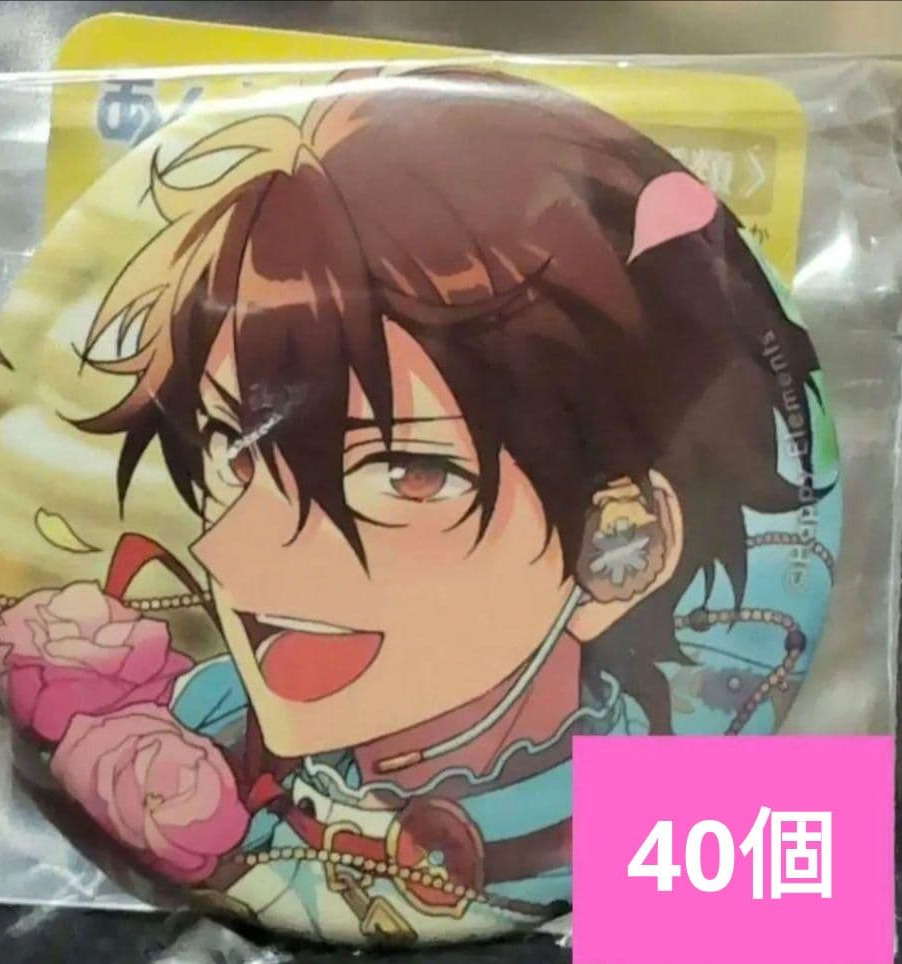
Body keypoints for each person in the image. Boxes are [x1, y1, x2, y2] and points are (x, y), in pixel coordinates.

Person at [77, 67, 837, 943]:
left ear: (619, 542)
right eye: (231, 450)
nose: (229, 554)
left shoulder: (695, 808)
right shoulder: (184, 737)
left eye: (403, 472)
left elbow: (798, 908)